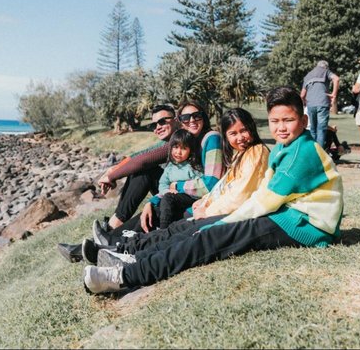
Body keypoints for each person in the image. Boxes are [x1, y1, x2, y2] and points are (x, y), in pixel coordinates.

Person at [81, 86, 344, 294]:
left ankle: (124, 276)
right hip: (287, 215)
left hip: (305, 226)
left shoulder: (301, 152)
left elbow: (263, 201)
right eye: (275, 121)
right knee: (198, 229)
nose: (281, 127)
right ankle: (129, 254)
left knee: (209, 236)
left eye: (288, 120)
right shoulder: (286, 148)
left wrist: (218, 221)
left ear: (304, 119)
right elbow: (257, 193)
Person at [59, 107, 269, 262]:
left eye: (196, 116)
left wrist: (170, 190)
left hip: (194, 198)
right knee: (147, 183)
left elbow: (212, 183)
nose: (191, 121)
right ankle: (105, 237)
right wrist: (149, 196)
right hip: (186, 196)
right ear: (180, 121)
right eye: (185, 118)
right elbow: (140, 156)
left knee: (154, 198)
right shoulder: (180, 141)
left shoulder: (210, 139)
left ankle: (104, 239)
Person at [94, 104, 177, 232]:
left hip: (181, 195)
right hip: (169, 190)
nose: (158, 128)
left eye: (161, 122)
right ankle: (111, 228)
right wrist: (113, 169)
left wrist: (112, 177)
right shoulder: (166, 142)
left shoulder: (179, 141)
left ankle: (112, 227)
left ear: (175, 119)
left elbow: (142, 161)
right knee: (141, 168)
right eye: (153, 125)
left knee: (145, 170)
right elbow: (137, 155)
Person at [152, 129, 203, 228]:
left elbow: (200, 184)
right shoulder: (170, 167)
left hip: (189, 198)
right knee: (162, 202)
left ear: (190, 150)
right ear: (171, 147)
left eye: (183, 148)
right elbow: (162, 184)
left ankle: (164, 229)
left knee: (167, 198)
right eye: (175, 147)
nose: (178, 152)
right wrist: (167, 190)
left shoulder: (192, 167)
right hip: (174, 197)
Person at [300, 60, 339, 148]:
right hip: (322, 103)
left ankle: (312, 152)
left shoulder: (308, 75)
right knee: (321, 130)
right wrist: (334, 94)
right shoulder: (325, 71)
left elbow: (302, 95)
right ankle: (319, 154)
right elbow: (336, 78)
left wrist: (305, 102)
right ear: (326, 67)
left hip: (310, 104)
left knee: (313, 129)